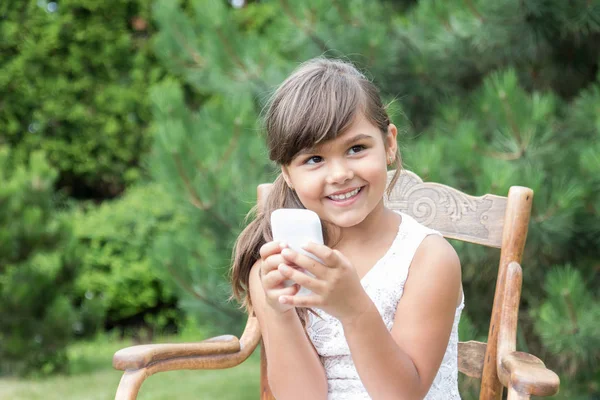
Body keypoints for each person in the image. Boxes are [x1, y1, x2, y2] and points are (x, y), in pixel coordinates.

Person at [230, 57, 464, 400]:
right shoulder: (278, 266)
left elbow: (403, 395)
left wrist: (353, 308)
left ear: (389, 144)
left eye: (356, 148)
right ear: (287, 174)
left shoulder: (429, 259)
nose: (339, 174)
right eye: (314, 159)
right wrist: (278, 313)